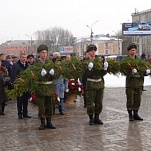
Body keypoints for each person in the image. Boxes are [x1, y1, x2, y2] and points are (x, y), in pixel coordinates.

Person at [125, 43, 150, 121]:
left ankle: (136, 114)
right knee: (130, 100)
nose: (133, 52)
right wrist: (131, 72)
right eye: (132, 50)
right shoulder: (126, 61)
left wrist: (146, 72)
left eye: (135, 50)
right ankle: (130, 115)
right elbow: (125, 72)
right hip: (130, 84)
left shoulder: (139, 61)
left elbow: (142, 71)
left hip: (139, 83)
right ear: (129, 51)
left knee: (138, 100)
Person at [84, 44, 108, 125]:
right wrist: (89, 69)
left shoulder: (99, 61)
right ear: (88, 52)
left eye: (94, 51)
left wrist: (105, 69)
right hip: (90, 84)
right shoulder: (85, 62)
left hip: (99, 84)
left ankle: (97, 117)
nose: (93, 53)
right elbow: (84, 75)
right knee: (90, 103)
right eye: (91, 51)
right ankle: (91, 118)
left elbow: (102, 74)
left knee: (99, 102)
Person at [35, 44, 56, 130]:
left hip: (49, 88)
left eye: (45, 52)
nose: (44, 54)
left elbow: (54, 76)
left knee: (50, 105)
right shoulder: (36, 63)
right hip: (41, 88)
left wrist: (52, 74)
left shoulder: (50, 63)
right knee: (42, 106)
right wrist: (40, 75)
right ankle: (42, 122)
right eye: (42, 52)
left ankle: (49, 121)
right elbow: (33, 76)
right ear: (39, 53)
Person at [13, 53, 31, 119]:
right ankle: (19, 113)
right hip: (19, 86)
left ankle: (25, 113)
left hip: (26, 86)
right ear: (20, 58)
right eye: (23, 57)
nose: (24, 59)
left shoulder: (28, 65)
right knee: (20, 100)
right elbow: (13, 76)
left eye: (25, 57)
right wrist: (16, 84)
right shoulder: (16, 65)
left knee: (26, 100)